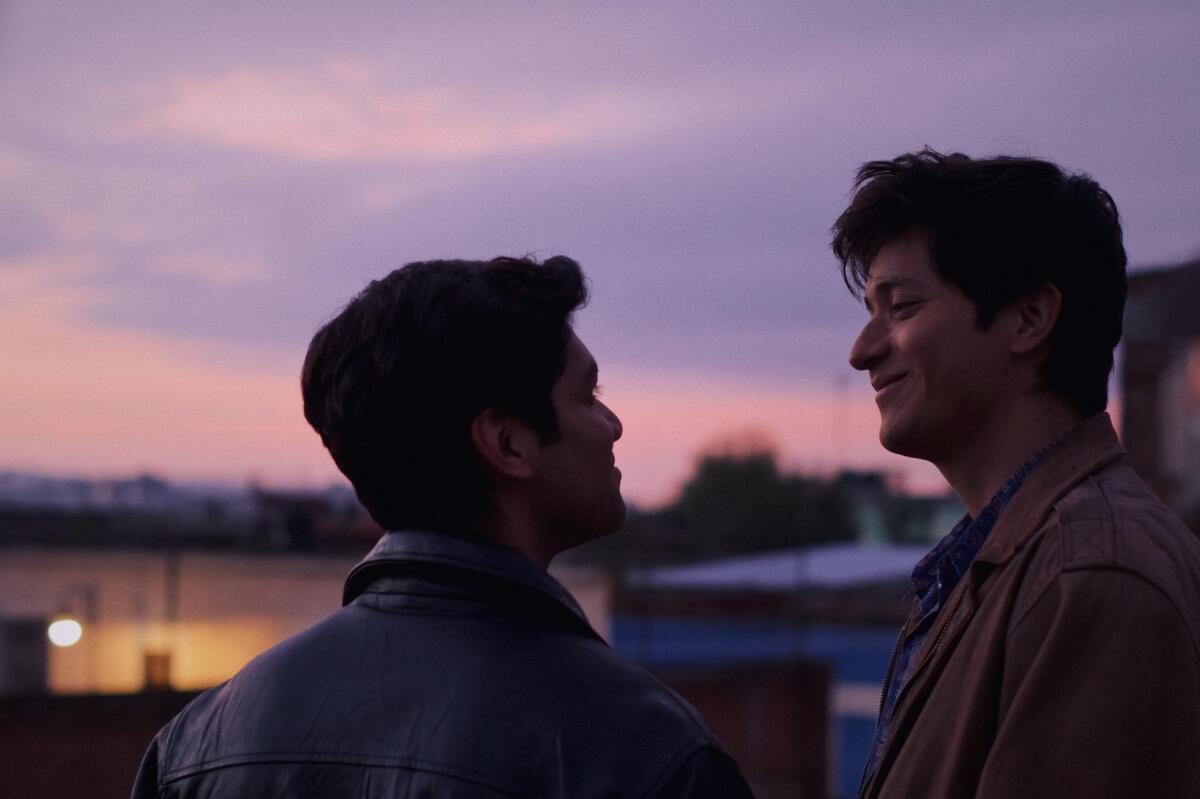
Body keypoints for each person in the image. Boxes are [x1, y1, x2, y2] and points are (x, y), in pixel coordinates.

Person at [131, 255, 753, 798]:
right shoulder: (646, 752)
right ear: (507, 442)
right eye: (588, 395)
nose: (613, 425)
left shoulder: (198, 743)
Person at [832, 149, 1200, 798]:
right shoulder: (1006, 565)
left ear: (1029, 319)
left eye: (903, 306)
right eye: (870, 310)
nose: (862, 351)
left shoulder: (1092, 576)